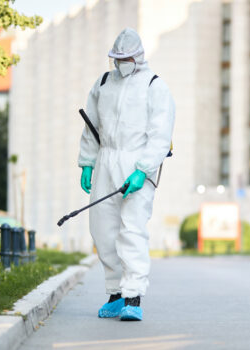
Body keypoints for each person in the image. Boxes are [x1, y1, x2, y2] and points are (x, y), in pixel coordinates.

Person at [77, 27, 175, 321]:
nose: (121, 63)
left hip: (137, 162)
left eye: (126, 57)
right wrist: (87, 162)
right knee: (103, 229)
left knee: (131, 229)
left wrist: (143, 171)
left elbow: (160, 135)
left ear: (139, 57)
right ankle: (115, 294)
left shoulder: (154, 86)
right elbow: (91, 126)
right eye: (117, 58)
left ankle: (133, 296)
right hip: (106, 158)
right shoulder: (104, 82)